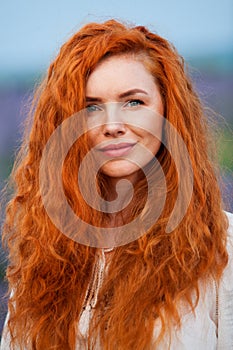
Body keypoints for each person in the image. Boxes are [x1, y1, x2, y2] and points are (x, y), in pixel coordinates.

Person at [1, 19, 233, 350]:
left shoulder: (222, 249)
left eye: (134, 102)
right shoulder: (43, 254)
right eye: (91, 107)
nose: (113, 125)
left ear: (169, 111)